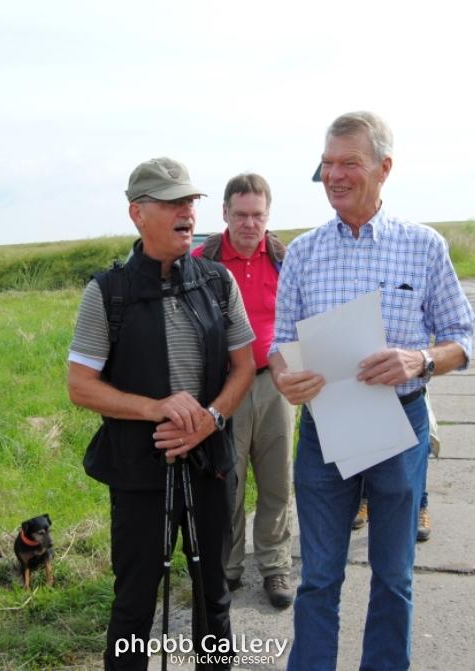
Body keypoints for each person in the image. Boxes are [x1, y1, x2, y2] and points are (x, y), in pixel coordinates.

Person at [270, 111, 475, 671]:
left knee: (394, 575)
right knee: (318, 576)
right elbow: (280, 342)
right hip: (324, 430)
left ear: (384, 168)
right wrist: (284, 375)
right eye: (327, 164)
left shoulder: (423, 246)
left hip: (400, 425)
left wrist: (420, 359)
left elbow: (461, 339)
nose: (334, 175)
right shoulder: (304, 252)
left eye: (349, 163)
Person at [68, 157, 255, 671]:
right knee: (133, 602)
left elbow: (244, 367)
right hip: (139, 471)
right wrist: (155, 408)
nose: (186, 212)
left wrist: (210, 419)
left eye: (189, 201)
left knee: (214, 595)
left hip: (210, 464)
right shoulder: (108, 292)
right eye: (172, 202)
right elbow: (80, 386)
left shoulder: (217, 282)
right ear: (137, 213)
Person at [192, 173, 295, 609]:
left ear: (268, 215)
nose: (250, 224)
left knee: (277, 482)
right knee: (227, 483)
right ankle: (228, 567)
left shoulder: (286, 259)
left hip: (275, 384)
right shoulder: (201, 260)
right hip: (224, 388)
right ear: (224, 213)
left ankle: (275, 566)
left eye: (258, 215)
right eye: (240, 215)